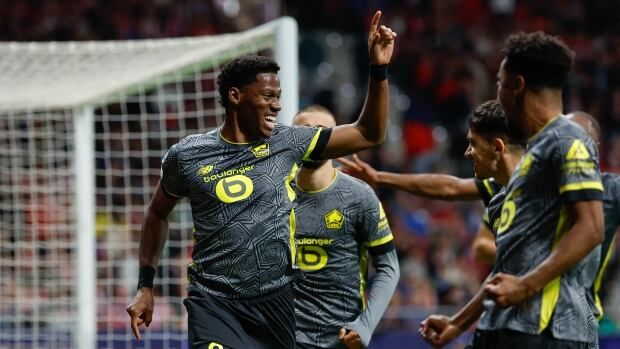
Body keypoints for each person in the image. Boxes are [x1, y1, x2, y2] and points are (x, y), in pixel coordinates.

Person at [126, 10, 397, 349]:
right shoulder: (188, 155)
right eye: (268, 96)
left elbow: (369, 133)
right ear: (235, 96)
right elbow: (156, 213)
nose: (277, 105)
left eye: (278, 97)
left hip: (276, 304)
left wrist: (378, 69)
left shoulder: (288, 141)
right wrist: (145, 284)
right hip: (213, 300)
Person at [420, 31, 604, 349]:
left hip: (545, 332)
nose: (497, 94)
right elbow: (510, 261)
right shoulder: (533, 156)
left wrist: (526, 286)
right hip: (505, 327)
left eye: (499, 83)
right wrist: (457, 321)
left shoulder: (568, 140)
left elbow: (592, 227)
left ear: (517, 85)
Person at [338, 99, 525, 264]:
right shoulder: (498, 194)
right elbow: (449, 187)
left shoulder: (547, 184)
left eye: (473, 144)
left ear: (497, 147)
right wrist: (379, 178)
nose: (467, 153)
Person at [292, 105, 399, 349]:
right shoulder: (273, 192)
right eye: (303, 130)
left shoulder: (358, 196)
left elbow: (388, 266)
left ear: (336, 140)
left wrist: (366, 325)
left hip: (339, 340)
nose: (311, 137)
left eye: (320, 131)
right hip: (282, 338)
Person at [566, 112, 620, 323]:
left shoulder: (612, 190)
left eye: (581, 139)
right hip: (532, 315)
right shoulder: (538, 187)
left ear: (596, 148)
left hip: (582, 318)